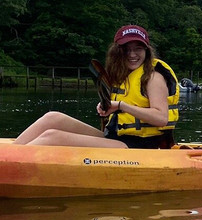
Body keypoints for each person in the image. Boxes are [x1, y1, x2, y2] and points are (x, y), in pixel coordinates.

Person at [14, 24, 179, 149]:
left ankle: (9, 164)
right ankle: (10, 155)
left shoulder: (153, 77)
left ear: (147, 51)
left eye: (138, 49)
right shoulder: (123, 75)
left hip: (138, 147)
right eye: (126, 50)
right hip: (116, 138)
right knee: (53, 118)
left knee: (52, 137)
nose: (132, 54)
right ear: (118, 52)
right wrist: (108, 107)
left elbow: (161, 118)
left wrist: (121, 106)